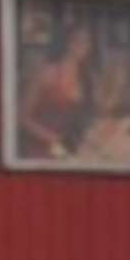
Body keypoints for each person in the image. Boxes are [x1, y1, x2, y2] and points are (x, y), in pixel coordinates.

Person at [18, 21, 96, 158]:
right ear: (66, 42)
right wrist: (52, 139)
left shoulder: (86, 78)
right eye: (78, 40)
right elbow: (21, 117)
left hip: (67, 149)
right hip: (38, 148)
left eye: (88, 42)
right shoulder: (46, 72)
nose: (84, 46)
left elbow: (84, 117)